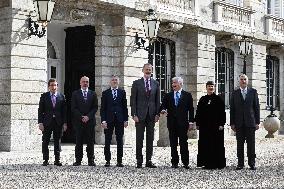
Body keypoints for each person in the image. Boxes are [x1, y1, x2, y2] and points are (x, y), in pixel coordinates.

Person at [160, 77, 194, 169]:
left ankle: (185, 162)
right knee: (173, 143)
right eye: (172, 83)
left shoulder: (187, 95)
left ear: (180, 84)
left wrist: (191, 122)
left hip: (183, 124)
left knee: (183, 143)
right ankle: (174, 162)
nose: (173, 84)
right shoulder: (168, 95)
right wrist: (163, 109)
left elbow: (191, 110)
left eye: (175, 83)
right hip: (171, 123)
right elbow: (163, 105)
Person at [130, 63, 160, 168]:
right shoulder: (136, 83)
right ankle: (139, 160)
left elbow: (157, 101)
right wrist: (134, 114)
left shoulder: (156, 83)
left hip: (151, 115)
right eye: (146, 69)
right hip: (140, 115)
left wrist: (157, 114)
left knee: (150, 138)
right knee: (139, 138)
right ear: (143, 70)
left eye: (150, 69)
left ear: (152, 71)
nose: (148, 71)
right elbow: (133, 100)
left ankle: (149, 160)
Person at [230, 74, 260, 170]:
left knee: (251, 144)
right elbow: (232, 109)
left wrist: (257, 122)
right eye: (242, 79)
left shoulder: (253, 92)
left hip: (250, 122)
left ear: (247, 81)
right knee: (240, 144)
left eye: (245, 79)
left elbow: (256, 108)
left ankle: (252, 163)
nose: (243, 81)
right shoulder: (235, 93)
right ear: (239, 81)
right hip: (239, 123)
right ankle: (240, 163)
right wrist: (232, 123)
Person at [195, 81, 226, 169]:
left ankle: (217, 163)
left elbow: (222, 113)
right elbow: (198, 112)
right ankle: (206, 163)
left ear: (214, 87)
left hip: (216, 126)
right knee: (205, 144)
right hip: (205, 127)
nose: (210, 88)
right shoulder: (202, 99)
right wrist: (197, 123)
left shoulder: (219, 99)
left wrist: (221, 124)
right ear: (206, 87)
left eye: (212, 86)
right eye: (209, 86)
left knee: (216, 144)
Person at [100, 75, 128, 167]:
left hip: (120, 119)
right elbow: (103, 108)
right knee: (107, 140)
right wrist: (103, 120)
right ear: (110, 82)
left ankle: (119, 161)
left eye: (116, 80)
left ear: (118, 82)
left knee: (119, 140)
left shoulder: (122, 92)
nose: (114, 81)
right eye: (113, 80)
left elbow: (125, 107)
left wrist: (125, 119)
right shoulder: (105, 93)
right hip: (108, 119)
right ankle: (107, 160)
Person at [38, 78, 67, 166]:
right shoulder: (44, 96)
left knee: (57, 141)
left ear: (57, 86)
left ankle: (57, 160)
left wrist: (65, 123)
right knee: (45, 141)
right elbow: (40, 110)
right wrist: (40, 123)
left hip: (58, 122)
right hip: (47, 122)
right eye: (51, 85)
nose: (53, 87)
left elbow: (64, 111)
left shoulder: (62, 96)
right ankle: (45, 160)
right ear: (48, 87)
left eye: (55, 85)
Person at [72, 76, 98, 166]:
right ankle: (78, 160)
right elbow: (73, 108)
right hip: (79, 122)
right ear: (80, 83)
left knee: (90, 142)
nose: (85, 83)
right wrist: (81, 116)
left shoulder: (93, 93)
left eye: (87, 82)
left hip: (90, 121)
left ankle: (91, 160)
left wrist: (88, 116)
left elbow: (95, 107)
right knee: (78, 141)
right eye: (83, 82)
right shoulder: (75, 94)